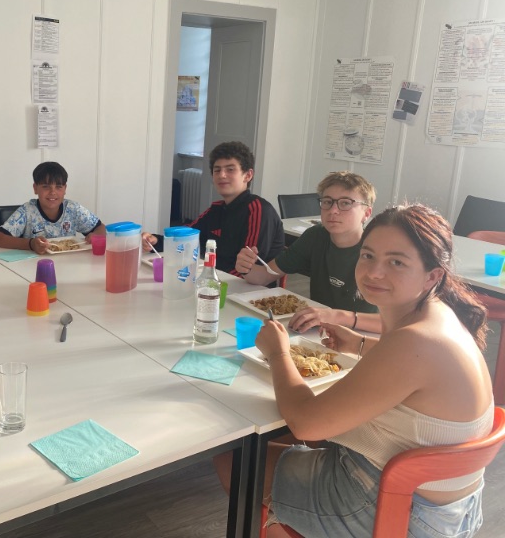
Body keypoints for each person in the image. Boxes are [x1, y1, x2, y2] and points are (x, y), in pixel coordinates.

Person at [226, 204, 493, 537]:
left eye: (396, 262)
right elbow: (415, 373)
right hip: (449, 509)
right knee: (282, 436)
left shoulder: (415, 342)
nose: (374, 272)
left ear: (432, 276)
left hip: (403, 513)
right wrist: (359, 344)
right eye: (368, 256)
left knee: (236, 459)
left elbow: (306, 422)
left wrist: (278, 352)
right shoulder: (440, 315)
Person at [236, 171, 381, 333]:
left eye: (346, 203)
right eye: (327, 202)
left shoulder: (380, 250)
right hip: (318, 333)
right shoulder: (316, 235)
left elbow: (396, 324)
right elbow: (264, 275)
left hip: (366, 338)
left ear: (366, 213)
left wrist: (337, 316)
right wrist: (246, 267)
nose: (333, 210)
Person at [142, 141, 284, 276]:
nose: (222, 175)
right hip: (215, 280)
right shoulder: (216, 209)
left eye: (230, 169)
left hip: (247, 288)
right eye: (217, 170)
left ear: (248, 175)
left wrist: (209, 280)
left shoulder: (258, 210)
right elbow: (186, 237)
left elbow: (250, 267)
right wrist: (156, 241)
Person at [0, 161, 105, 255]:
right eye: (46, 187)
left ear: (65, 189)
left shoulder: (73, 209)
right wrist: (31, 244)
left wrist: (96, 235)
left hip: (69, 264)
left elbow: (101, 228)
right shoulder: (27, 211)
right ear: (35, 188)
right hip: (32, 266)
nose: (52, 192)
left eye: (58, 187)